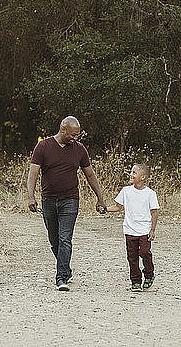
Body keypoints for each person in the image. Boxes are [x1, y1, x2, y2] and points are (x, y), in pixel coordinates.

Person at [27, 116, 106, 291]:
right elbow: (33, 174)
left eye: (77, 135)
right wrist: (31, 197)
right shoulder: (43, 146)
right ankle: (66, 269)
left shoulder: (79, 149)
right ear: (63, 129)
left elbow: (90, 175)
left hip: (70, 200)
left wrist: (99, 197)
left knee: (65, 239)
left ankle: (61, 277)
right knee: (54, 240)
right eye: (72, 135)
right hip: (48, 199)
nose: (75, 138)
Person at [105, 163, 159, 292]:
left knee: (145, 253)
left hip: (144, 230)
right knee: (132, 257)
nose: (131, 174)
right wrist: (105, 209)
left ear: (143, 177)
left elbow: (154, 212)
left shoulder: (150, 194)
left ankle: (149, 274)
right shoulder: (126, 191)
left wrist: (152, 229)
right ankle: (135, 281)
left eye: (134, 173)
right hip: (130, 230)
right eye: (131, 172)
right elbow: (118, 207)